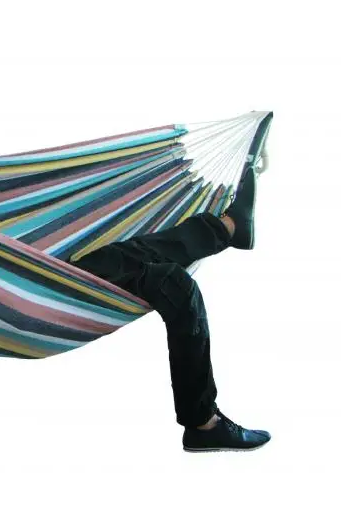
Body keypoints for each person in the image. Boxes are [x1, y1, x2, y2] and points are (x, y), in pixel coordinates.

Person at [71, 163, 269, 452]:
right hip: (32, 285)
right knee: (171, 283)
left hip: (41, 277)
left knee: (137, 263)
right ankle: (204, 423)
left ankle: (227, 228)